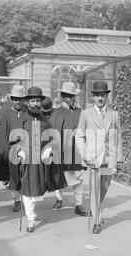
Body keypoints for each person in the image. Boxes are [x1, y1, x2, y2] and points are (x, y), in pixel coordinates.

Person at [76, 81, 123, 234]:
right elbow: (79, 136)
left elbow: (118, 137)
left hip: (108, 160)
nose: (100, 98)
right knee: (95, 190)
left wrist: (119, 158)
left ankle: (95, 207)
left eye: (102, 95)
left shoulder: (114, 114)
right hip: (93, 159)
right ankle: (96, 221)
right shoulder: (85, 113)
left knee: (104, 187)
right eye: (97, 96)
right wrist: (85, 154)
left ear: (106, 96)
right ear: (93, 97)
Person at [13, 87, 55, 232]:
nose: (36, 104)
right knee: (27, 190)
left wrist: (50, 149)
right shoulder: (22, 119)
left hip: (41, 161)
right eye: (33, 101)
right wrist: (19, 151)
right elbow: (15, 139)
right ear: (27, 102)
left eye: (38, 101)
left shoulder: (45, 120)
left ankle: (32, 213)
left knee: (36, 190)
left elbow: (52, 138)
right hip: (27, 160)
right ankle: (30, 219)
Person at [51, 82, 88, 216]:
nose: (71, 99)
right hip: (62, 151)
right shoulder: (57, 113)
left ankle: (78, 205)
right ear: (62, 97)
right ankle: (59, 199)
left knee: (78, 179)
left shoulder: (80, 112)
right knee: (60, 177)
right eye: (68, 96)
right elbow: (54, 132)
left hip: (77, 152)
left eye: (73, 96)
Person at [0, 85, 27, 212]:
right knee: (13, 177)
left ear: (24, 99)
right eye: (15, 99)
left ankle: (28, 201)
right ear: (11, 99)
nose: (18, 102)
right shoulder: (6, 115)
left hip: (27, 151)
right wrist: (3, 153)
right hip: (12, 152)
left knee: (27, 176)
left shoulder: (29, 114)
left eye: (20, 99)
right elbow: (2, 136)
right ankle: (17, 200)